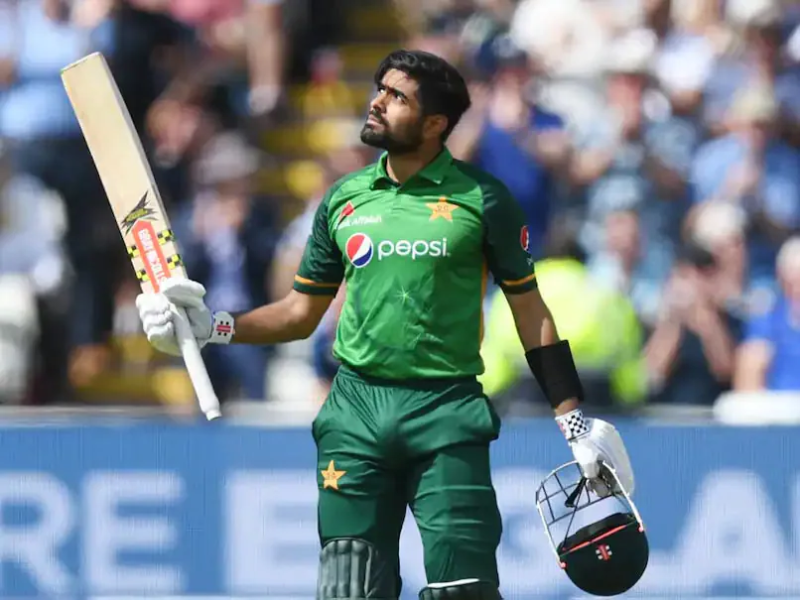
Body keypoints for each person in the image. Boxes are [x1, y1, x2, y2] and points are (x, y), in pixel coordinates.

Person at [135, 50, 634, 600]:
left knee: (464, 591)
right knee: (349, 585)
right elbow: (299, 313)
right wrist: (212, 326)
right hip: (356, 413)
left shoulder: (483, 199)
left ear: (435, 123)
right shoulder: (345, 199)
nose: (377, 102)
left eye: (397, 97)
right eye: (380, 89)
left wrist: (573, 421)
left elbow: (530, 311)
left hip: (446, 412)